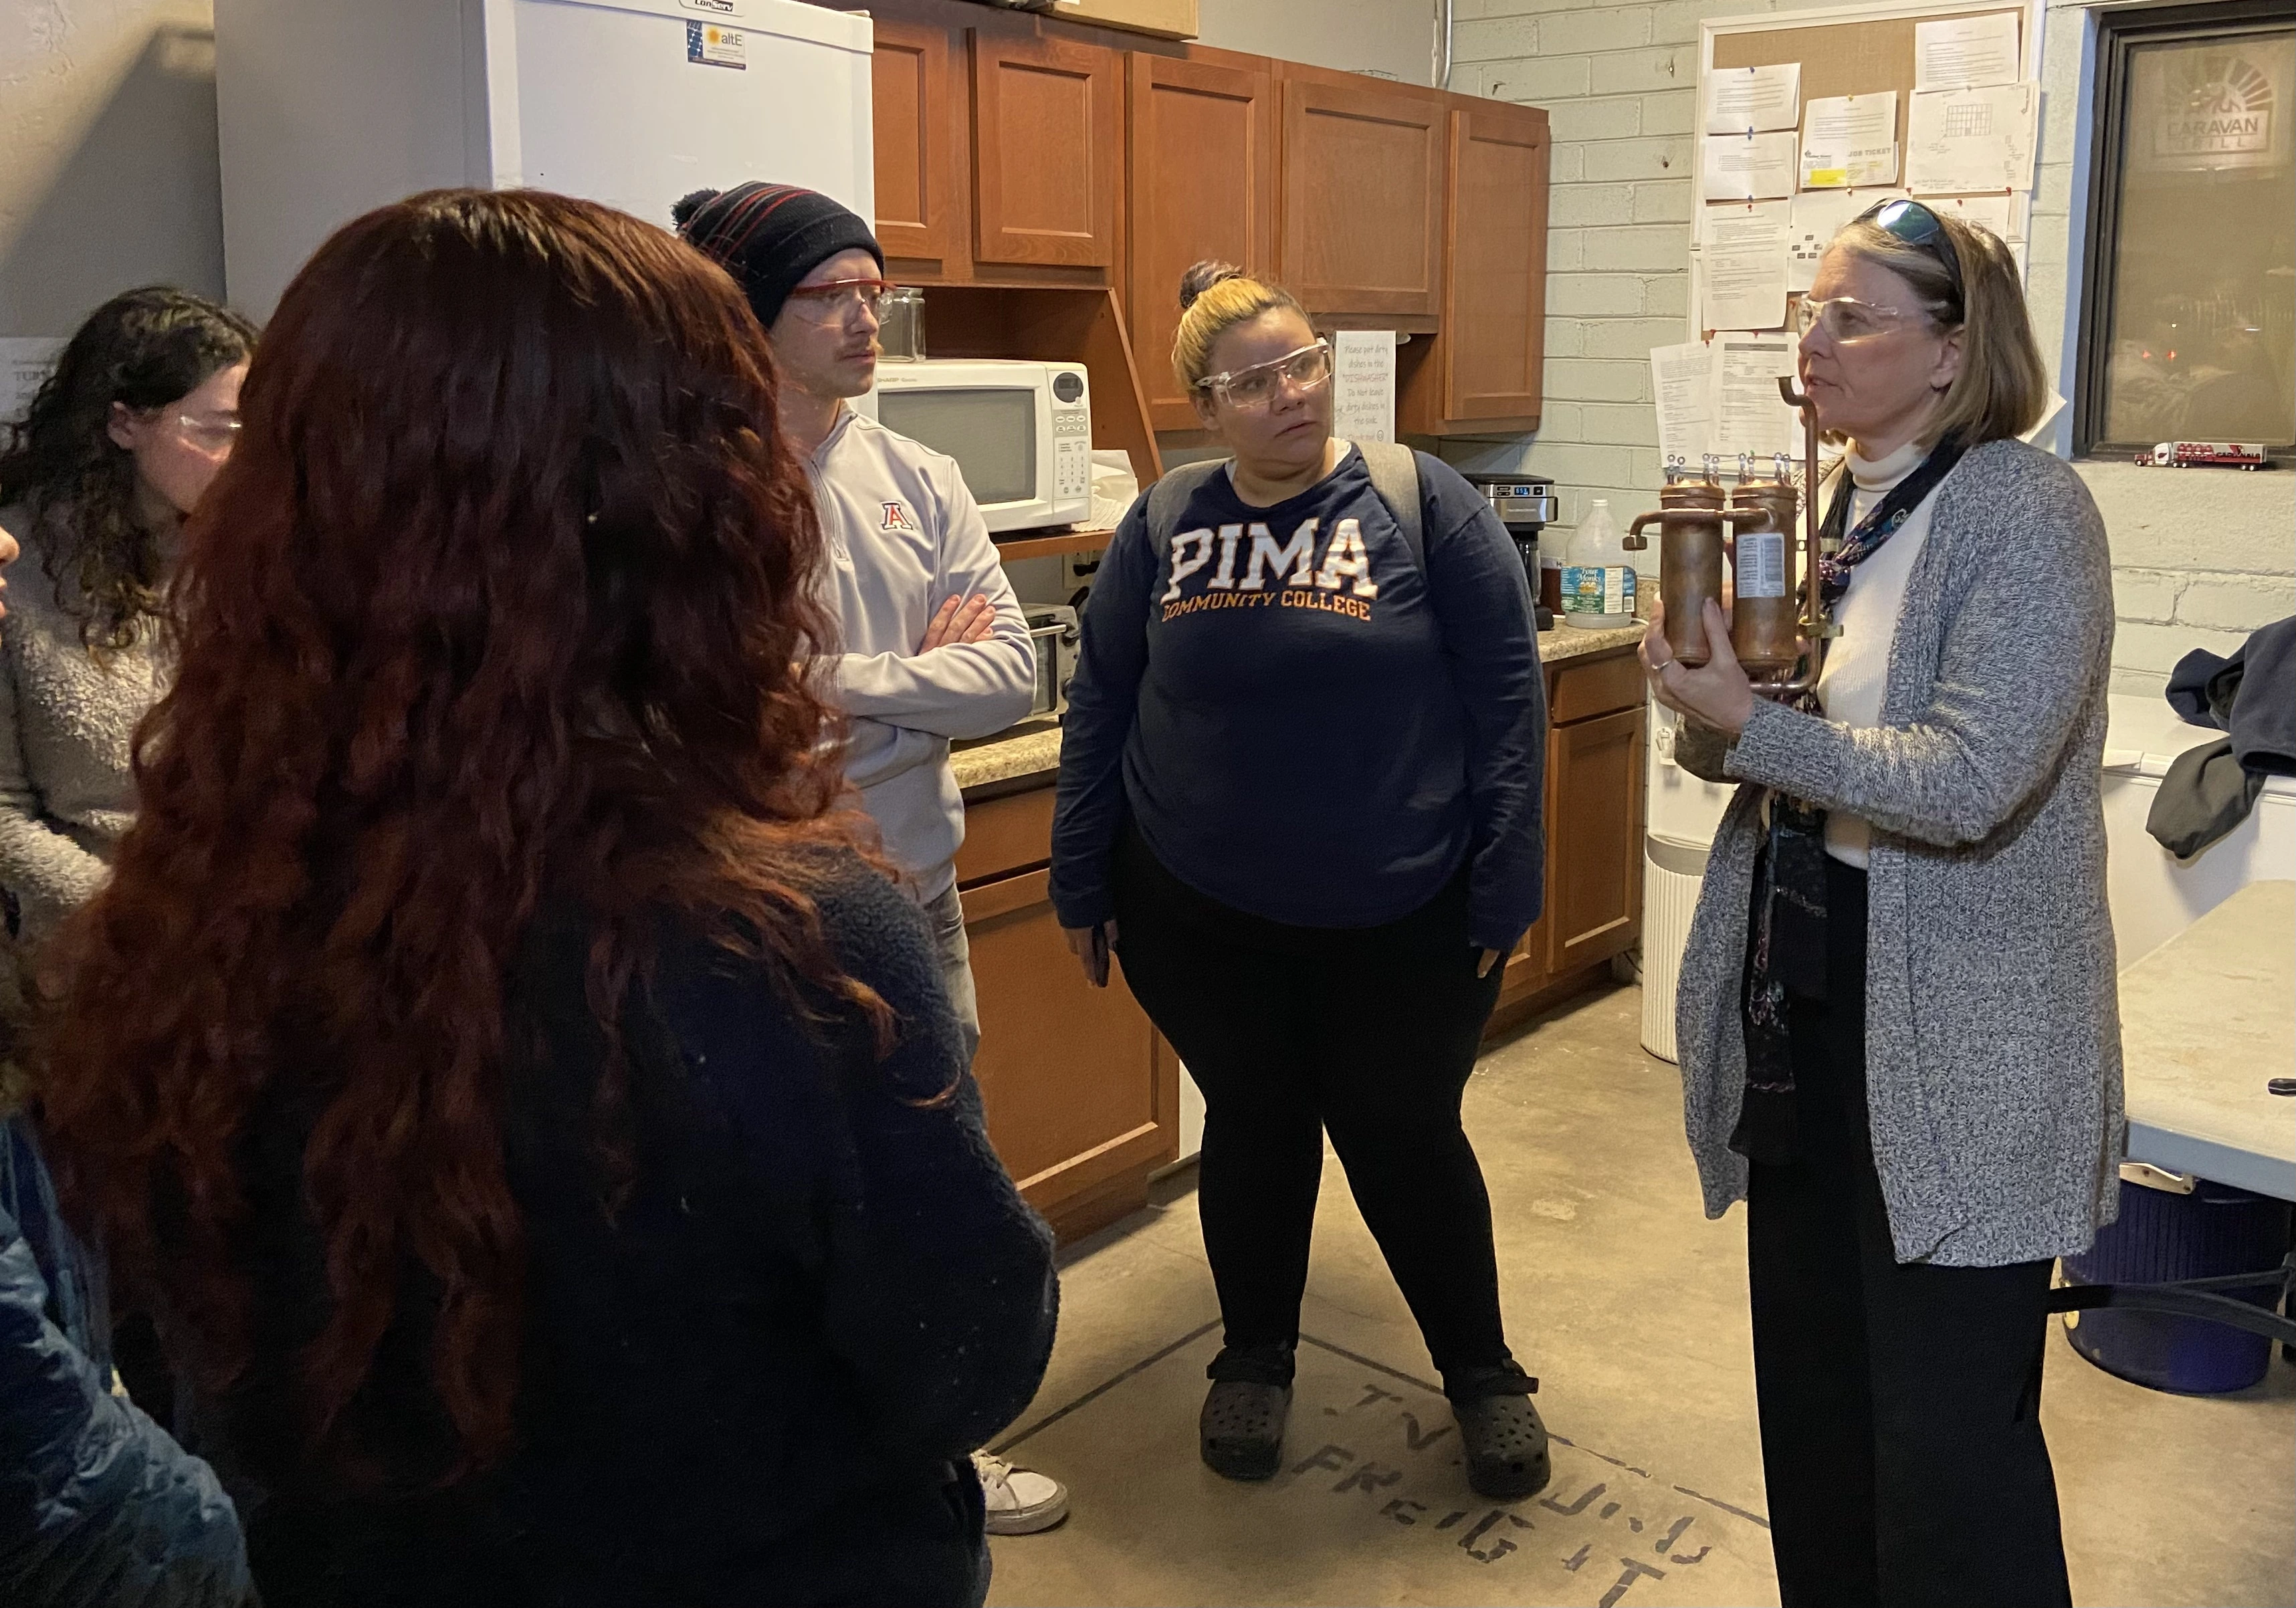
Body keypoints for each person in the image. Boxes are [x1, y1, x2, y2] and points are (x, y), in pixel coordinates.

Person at [35, 189, 1057, 1608]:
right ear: (679, 517)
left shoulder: (191, 905)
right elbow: (969, 1347)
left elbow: (169, 1341)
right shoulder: (784, 941)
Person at [1642, 200, 2117, 1608]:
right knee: (1817, 1388)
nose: (1816, 340)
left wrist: (1750, 721)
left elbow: (1971, 778)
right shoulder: (1842, 501)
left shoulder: (2027, 511)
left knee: (1946, 1438)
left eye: (1853, 315)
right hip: (1812, 989)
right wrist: (1706, 708)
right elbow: (1781, 732)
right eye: (1812, 308)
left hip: (1964, 1032)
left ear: (1954, 349)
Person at [1048, 262, 1552, 1501]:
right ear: (1202, 409)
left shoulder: (1417, 501)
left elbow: (1506, 698)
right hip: (1198, 908)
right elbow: (1102, 696)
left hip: (1407, 907)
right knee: (1257, 1125)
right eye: (1253, 383)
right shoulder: (1165, 521)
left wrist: (1507, 880)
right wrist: (1077, 873)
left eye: (1303, 365)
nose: (1290, 395)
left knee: (1402, 1134)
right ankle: (1253, 1358)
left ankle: (1481, 1375)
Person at [672, 181, 1067, 1538]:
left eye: (873, 289)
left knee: (928, 1176)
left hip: (918, 888)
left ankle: (946, 1447)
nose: (867, 317)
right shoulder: (694, 476)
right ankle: (794, 1461)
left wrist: (838, 678)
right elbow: (719, 698)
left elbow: (1007, 671)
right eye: (831, 294)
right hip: (752, 899)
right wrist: (911, 679)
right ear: (750, 314)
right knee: (771, 1196)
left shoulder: (920, 478)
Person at [0, 288, 253, 947]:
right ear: (123, 425)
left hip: (249, 934)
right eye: (215, 430)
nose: (241, 457)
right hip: (91, 946)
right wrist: (143, 924)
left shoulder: (253, 561)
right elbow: (2, 816)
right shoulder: (16, 570)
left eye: (253, 430)